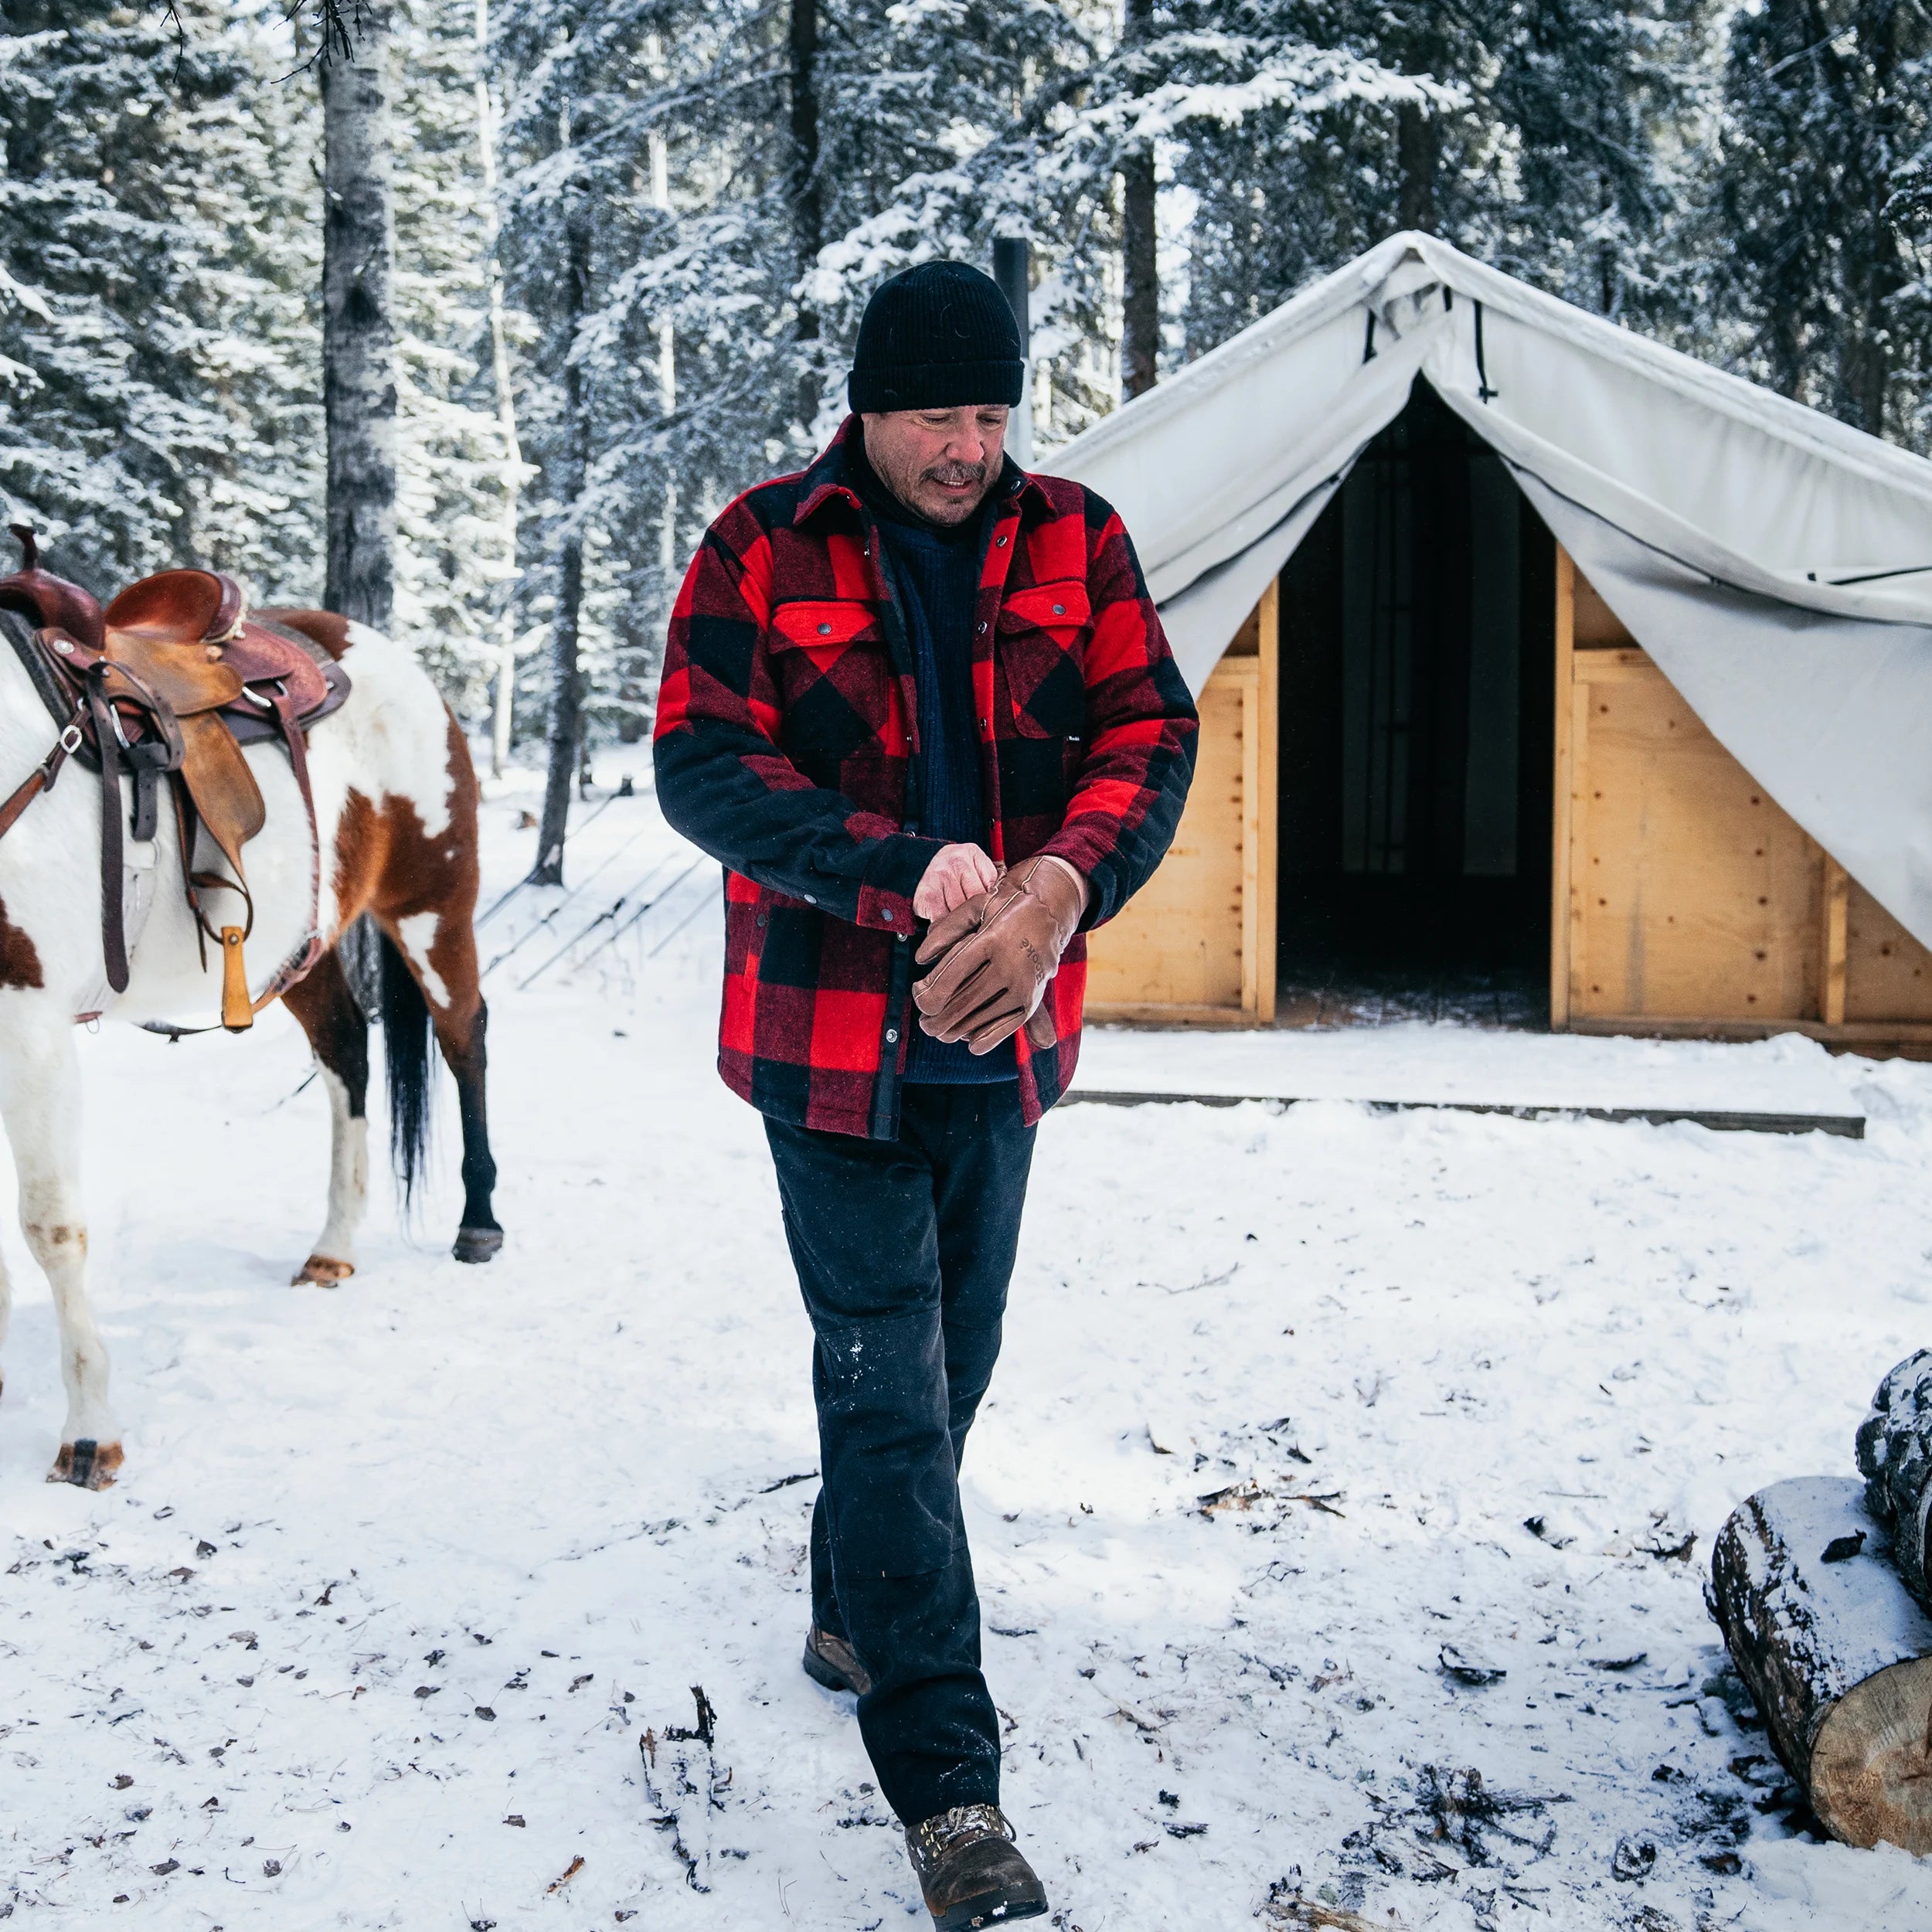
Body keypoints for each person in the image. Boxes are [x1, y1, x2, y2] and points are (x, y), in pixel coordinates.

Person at [653, 259, 1197, 1927]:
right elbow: (700, 763)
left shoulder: (1076, 538)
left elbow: (1144, 739)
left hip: (1007, 1033)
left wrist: (1054, 891)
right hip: (825, 1043)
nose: (967, 446)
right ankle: (949, 1785)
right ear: (869, 411)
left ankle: (851, 1596)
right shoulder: (760, 542)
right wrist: (900, 868)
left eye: (987, 412)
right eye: (934, 416)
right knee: (885, 1378)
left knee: (952, 1359)